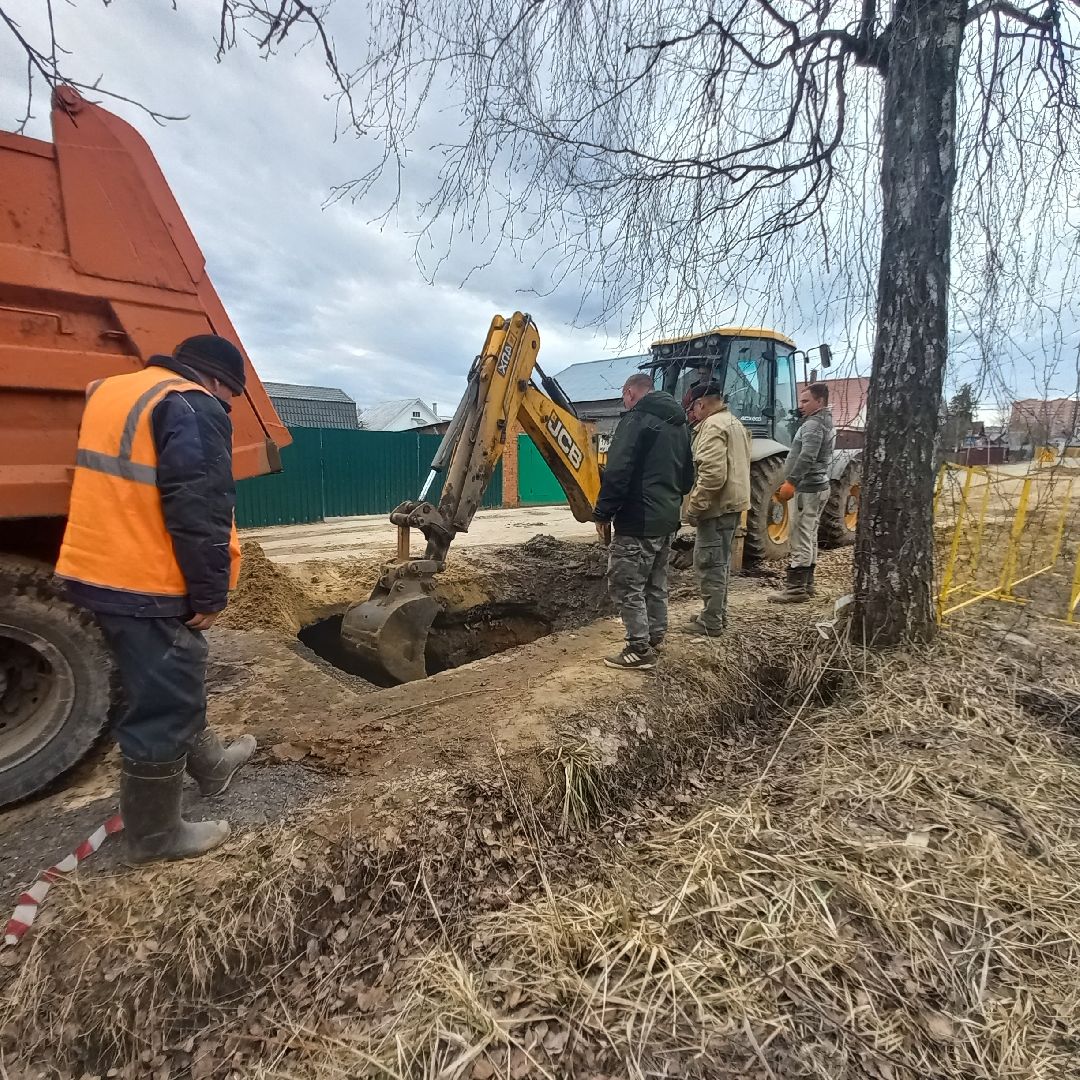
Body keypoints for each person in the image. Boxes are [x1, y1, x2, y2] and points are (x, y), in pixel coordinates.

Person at [56, 335, 257, 864]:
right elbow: (201, 508)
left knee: (167, 677)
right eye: (229, 396)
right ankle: (155, 837)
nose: (226, 406)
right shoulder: (191, 405)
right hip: (147, 578)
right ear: (214, 381)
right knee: (165, 698)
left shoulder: (114, 393)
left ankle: (210, 766)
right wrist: (210, 592)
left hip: (97, 569)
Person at [593, 373, 695, 670]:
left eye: (624, 398)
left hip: (638, 519)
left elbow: (617, 472)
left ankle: (639, 648)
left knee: (627, 582)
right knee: (655, 580)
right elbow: (688, 478)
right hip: (666, 520)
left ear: (629, 393)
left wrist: (602, 512)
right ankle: (655, 635)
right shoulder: (680, 426)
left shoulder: (637, 421)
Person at [683, 383, 752, 634]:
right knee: (720, 562)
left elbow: (711, 475)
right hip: (732, 505)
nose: (692, 414)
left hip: (717, 508)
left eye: (693, 408)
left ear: (701, 404)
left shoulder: (712, 427)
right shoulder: (733, 423)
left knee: (709, 563)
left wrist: (694, 507)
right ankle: (715, 615)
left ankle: (710, 622)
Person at [769, 382, 835, 604]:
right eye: (800, 401)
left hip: (808, 489)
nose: (801, 406)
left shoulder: (813, 426)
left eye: (806, 401)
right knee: (810, 534)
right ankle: (807, 584)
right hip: (818, 486)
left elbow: (807, 455)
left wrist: (791, 482)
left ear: (820, 401)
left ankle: (796, 588)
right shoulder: (826, 421)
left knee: (800, 535)